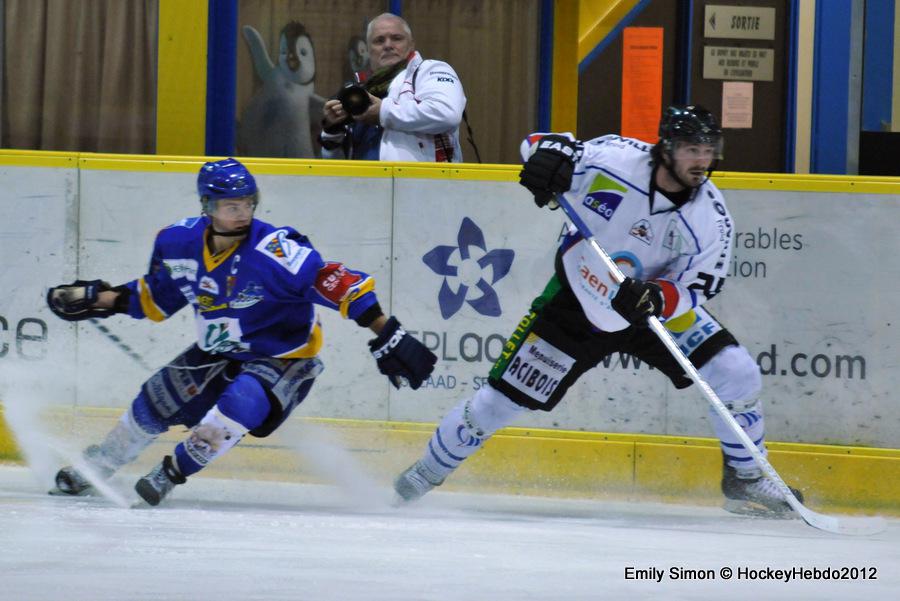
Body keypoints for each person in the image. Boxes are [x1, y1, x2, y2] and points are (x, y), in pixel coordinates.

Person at [393, 105, 804, 517]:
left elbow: (701, 285)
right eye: (692, 150)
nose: (702, 161)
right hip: (577, 300)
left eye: (708, 150)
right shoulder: (616, 159)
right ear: (666, 149)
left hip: (649, 313)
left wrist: (658, 298)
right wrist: (546, 163)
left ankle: (745, 477)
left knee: (735, 370)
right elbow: (537, 144)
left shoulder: (711, 217)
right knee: (496, 405)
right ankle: (423, 475)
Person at [46, 158, 437, 506]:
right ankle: (102, 462)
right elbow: (158, 296)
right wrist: (101, 298)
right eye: (231, 206)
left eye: (248, 204)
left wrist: (386, 330)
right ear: (207, 206)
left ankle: (172, 472)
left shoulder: (273, 250)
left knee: (242, 401)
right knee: (153, 400)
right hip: (219, 351)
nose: (243, 213)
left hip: (283, 357)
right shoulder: (178, 243)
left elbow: (332, 281)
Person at [319, 13, 466, 162]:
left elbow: (448, 114)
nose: (388, 45)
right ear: (368, 50)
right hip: (362, 177)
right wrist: (333, 130)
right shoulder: (358, 93)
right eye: (379, 40)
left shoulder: (429, 71)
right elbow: (334, 164)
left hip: (423, 177)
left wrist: (383, 112)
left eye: (396, 38)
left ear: (411, 44)